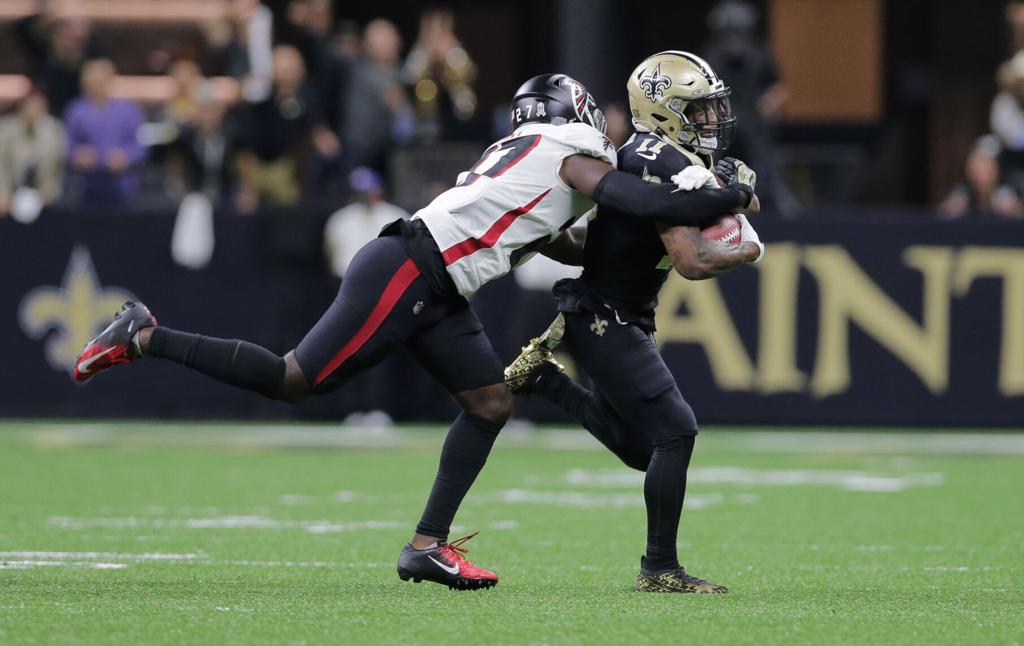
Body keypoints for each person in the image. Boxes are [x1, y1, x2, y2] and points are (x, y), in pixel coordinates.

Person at [73, 73, 756, 591]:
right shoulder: (567, 145)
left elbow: (570, 240)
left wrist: (639, 241)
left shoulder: (527, 153)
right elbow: (629, 197)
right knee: (293, 380)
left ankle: (427, 545)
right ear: (573, 114)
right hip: (410, 268)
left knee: (491, 402)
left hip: (439, 283)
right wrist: (724, 198)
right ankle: (145, 335)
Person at [504, 52, 764, 594]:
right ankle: (660, 569)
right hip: (606, 318)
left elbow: (590, 246)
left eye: (715, 109)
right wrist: (745, 249)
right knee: (676, 431)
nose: (713, 120)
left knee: (644, 449)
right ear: (665, 110)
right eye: (701, 110)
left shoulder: (656, 154)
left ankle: (545, 378)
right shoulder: (659, 162)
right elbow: (691, 261)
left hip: (610, 315)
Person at [63, 58, 146, 205]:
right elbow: (66, 146)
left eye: (101, 82)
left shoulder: (128, 109)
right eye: (92, 82)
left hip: (122, 187)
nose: (96, 87)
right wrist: (77, 155)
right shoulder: (75, 110)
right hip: (86, 187)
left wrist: (125, 156)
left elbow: (140, 146)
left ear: (110, 81)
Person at [324, 168, 410, 279]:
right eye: (361, 192)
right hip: (346, 280)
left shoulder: (397, 216)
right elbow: (329, 255)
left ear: (380, 190)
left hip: (386, 281)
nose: (366, 196)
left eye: (369, 191)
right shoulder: (339, 219)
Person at [0, 89, 65, 218]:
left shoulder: (54, 130)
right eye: (30, 106)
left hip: (44, 198)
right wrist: (3, 194)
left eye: (39, 107)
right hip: (10, 196)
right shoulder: (6, 129)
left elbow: (59, 166)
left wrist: (50, 192)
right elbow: (1, 165)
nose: (34, 111)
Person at [940, 135, 1024, 219]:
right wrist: (951, 209)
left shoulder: (1012, 186)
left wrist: (1016, 209)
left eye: (986, 166)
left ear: (997, 168)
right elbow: (943, 214)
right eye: (976, 166)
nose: (979, 172)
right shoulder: (963, 190)